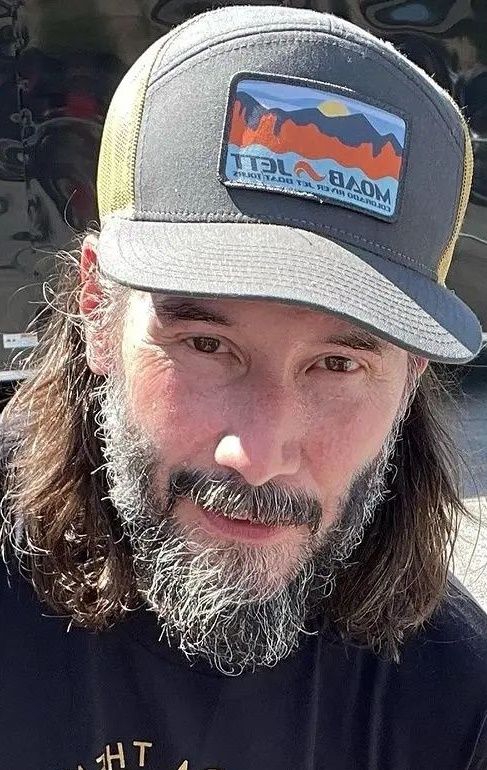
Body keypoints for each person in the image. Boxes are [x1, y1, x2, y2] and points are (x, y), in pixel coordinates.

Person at [0, 5, 485, 769]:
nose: (257, 456)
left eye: (337, 364)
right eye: (205, 345)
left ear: (409, 375)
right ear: (96, 310)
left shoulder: (450, 703)